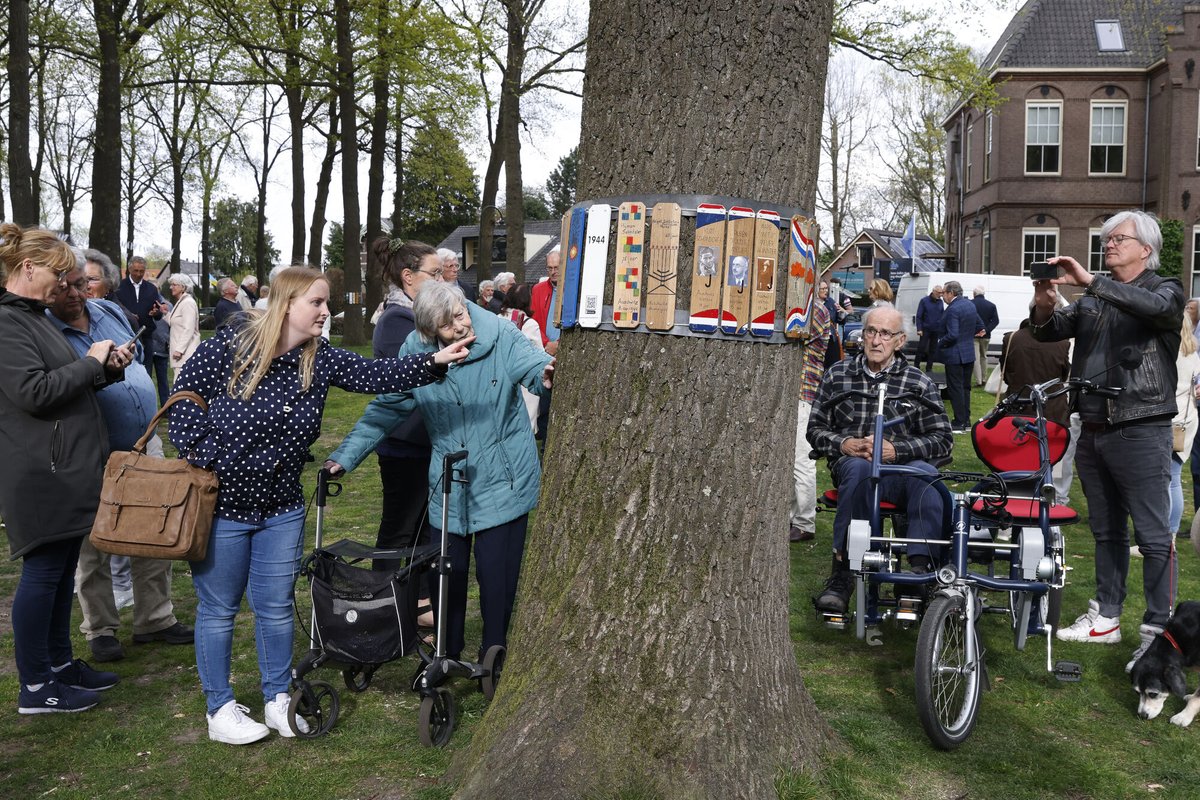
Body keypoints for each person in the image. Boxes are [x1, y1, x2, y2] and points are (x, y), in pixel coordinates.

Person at [167, 266, 472, 745]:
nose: (327, 312)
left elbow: (376, 374)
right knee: (219, 609)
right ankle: (219, 707)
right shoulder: (229, 346)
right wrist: (208, 460)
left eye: (326, 302)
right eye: (318, 303)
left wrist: (434, 362)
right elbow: (183, 401)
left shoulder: (319, 357)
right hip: (221, 507)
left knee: (273, 607)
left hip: (282, 509)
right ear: (287, 305)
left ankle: (275, 698)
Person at [326, 281, 554, 669]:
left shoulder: (500, 334)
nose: (461, 327)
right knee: (447, 574)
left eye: (461, 314)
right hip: (447, 485)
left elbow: (532, 365)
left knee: (497, 578)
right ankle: (445, 655)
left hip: (503, 477)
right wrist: (345, 457)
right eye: (448, 326)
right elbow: (386, 409)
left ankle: (493, 655)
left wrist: (546, 372)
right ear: (430, 333)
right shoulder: (416, 352)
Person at [1030, 209, 1184, 672]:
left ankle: (1158, 632)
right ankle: (1106, 617)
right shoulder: (1093, 299)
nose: (1109, 243)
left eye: (1119, 238)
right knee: (1106, 530)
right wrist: (1044, 300)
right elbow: (1048, 331)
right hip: (1093, 426)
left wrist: (1091, 281)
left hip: (1141, 425)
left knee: (1154, 537)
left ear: (1145, 248)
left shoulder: (1165, 287)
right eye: (1107, 237)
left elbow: (1158, 311)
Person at [0, 222, 127, 714]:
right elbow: (32, 393)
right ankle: (35, 685)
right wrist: (92, 362)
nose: (65, 284)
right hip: (39, 473)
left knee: (59, 572)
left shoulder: (34, 318)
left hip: (63, 468)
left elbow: (59, 383)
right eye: (57, 273)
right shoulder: (8, 322)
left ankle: (57, 664)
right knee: (44, 572)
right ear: (27, 267)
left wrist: (105, 369)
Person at [46, 259, 195, 664]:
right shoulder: (44, 330)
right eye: (67, 286)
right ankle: (100, 627)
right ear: (48, 288)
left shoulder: (108, 309)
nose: (77, 293)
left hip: (143, 440)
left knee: (154, 529)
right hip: (92, 452)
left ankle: (155, 619)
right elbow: (53, 391)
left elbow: (141, 351)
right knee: (94, 543)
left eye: (83, 283)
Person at [808, 305, 953, 613]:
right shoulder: (838, 374)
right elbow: (816, 429)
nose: (876, 340)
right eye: (871, 331)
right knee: (860, 469)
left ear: (900, 341)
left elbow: (943, 440)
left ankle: (917, 573)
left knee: (925, 476)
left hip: (902, 470)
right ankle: (843, 573)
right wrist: (846, 444)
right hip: (855, 467)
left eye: (885, 333)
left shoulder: (919, 383)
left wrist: (896, 450)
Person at [369, 237, 442, 579]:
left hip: (426, 440)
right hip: (404, 444)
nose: (442, 281)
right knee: (399, 531)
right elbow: (410, 380)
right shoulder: (397, 319)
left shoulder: (415, 315)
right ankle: (383, 606)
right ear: (409, 277)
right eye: (435, 274)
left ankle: (417, 607)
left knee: (424, 533)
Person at [1000, 319, 1073, 498]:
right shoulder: (1062, 343)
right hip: (1053, 407)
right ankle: (1053, 496)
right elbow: (1063, 375)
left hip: (1019, 404)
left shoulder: (1011, 339)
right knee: (1054, 455)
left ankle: (1019, 490)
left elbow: (1006, 373)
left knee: (1020, 452)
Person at [789, 297, 832, 543]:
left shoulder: (813, 308)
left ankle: (805, 522)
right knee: (791, 460)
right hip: (796, 394)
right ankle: (793, 517)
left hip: (805, 393)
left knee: (802, 460)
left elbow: (794, 333)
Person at [1167, 318, 1200, 544]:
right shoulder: (1192, 352)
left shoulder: (1170, 351)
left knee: (1168, 480)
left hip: (1172, 421)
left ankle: (1166, 535)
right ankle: (1169, 535)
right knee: (1173, 478)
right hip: (1187, 420)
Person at [498, 282, 546, 432]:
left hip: (501, 376)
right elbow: (540, 355)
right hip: (525, 380)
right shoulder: (530, 324)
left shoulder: (496, 319)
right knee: (526, 423)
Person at [938, 281, 982, 432]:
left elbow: (953, 334)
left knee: (955, 389)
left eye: (944, 292)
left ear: (951, 293)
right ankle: (966, 421)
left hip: (954, 354)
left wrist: (940, 342)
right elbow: (980, 325)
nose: (942, 295)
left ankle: (959, 422)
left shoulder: (953, 309)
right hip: (968, 353)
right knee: (965, 388)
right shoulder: (970, 304)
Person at [114, 254, 163, 364]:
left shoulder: (151, 289)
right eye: (136, 270)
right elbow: (115, 308)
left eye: (141, 271)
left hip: (146, 336)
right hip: (125, 334)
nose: (138, 274)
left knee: (147, 367)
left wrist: (156, 313)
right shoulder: (119, 287)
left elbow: (159, 314)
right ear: (129, 269)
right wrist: (128, 315)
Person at [164, 273, 201, 373]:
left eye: (174, 285)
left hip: (186, 354)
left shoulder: (188, 303)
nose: (171, 287)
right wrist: (165, 313)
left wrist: (179, 350)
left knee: (182, 386)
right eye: (171, 285)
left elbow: (188, 328)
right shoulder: (182, 301)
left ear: (183, 287)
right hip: (181, 355)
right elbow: (176, 323)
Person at [530, 249, 561, 357]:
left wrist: (558, 344)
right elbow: (534, 321)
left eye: (557, 267)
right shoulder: (538, 289)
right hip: (543, 349)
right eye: (550, 268)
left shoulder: (574, 289)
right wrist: (546, 343)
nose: (553, 272)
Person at [971, 286, 1000, 386]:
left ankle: (978, 381)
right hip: (986, 335)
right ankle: (984, 379)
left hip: (973, 334)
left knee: (976, 358)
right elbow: (996, 321)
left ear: (974, 294)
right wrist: (986, 330)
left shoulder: (970, 304)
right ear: (983, 294)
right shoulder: (991, 305)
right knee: (984, 356)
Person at [914, 284, 944, 373]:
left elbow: (942, 314)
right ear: (934, 292)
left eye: (941, 293)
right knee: (921, 348)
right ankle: (916, 366)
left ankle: (929, 368)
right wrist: (919, 328)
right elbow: (919, 315)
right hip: (925, 329)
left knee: (933, 350)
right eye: (939, 293)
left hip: (936, 329)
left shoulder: (940, 302)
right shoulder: (924, 301)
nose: (941, 294)